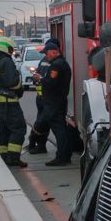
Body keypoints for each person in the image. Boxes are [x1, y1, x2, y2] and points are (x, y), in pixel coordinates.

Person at [0, 36, 27, 167]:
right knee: (19, 128)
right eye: (11, 49)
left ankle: (3, 155)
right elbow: (13, 82)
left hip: (0, 99)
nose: (12, 51)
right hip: (9, 100)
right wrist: (19, 86)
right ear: (5, 48)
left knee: (4, 129)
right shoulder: (7, 62)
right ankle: (13, 157)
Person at [40, 39, 74, 167]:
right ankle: (66, 155)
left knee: (59, 129)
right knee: (62, 129)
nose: (46, 56)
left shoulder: (56, 65)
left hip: (54, 102)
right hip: (59, 100)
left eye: (47, 53)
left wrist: (41, 79)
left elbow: (51, 83)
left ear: (53, 52)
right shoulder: (62, 63)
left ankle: (61, 157)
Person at [26, 40, 54, 154]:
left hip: (42, 97)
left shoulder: (44, 61)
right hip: (45, 97)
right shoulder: (50, 61)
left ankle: (36, 142)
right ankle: (37, 143)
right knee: (42, 122)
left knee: (42, 121)